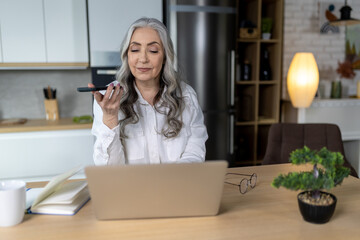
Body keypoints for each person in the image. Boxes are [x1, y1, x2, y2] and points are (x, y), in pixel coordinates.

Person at [89, 17, 208, 165]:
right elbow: (109, 170)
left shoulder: (186, 95)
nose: (143, 58)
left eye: (153, 50)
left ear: (165, 56)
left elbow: (195, 150)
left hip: (176, 185)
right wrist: (110, 118)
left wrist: (174, 180)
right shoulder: (110, 99)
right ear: (127, 55)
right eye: (135, 49)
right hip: (131, 188)